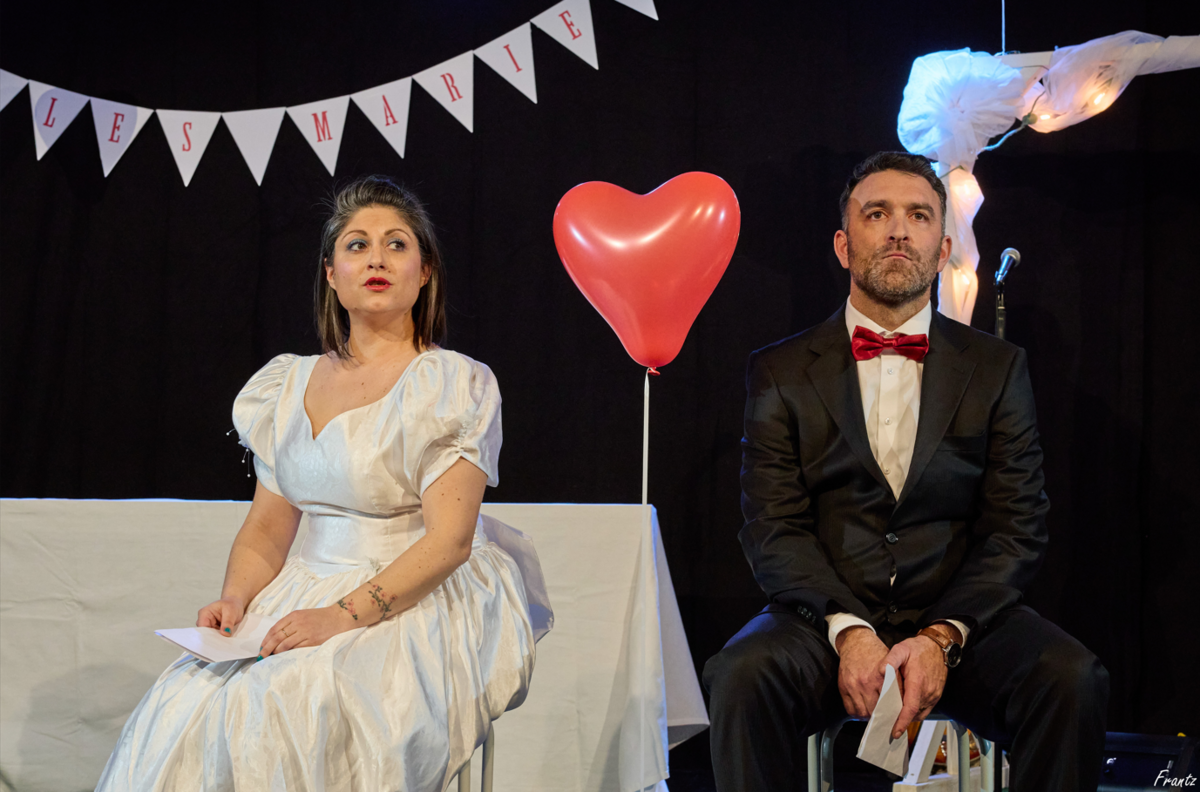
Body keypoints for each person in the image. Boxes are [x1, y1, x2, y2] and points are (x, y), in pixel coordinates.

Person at [96, 175, 549, 792]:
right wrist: (235, 598)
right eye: (357, 245)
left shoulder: (451, 383)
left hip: (410, 590)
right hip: (307, 584)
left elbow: (449, 542)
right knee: (186, 701)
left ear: (424, 272)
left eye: (396, 244)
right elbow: (267, 524)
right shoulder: (285, 384)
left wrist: (339, 617)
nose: (377, 258)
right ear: (332, 274)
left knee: (285, 705)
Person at [703, 152, 1108, 791]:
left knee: (1071, 678)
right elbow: (772, 526)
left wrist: (942, 635)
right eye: (877, 214)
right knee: (740, 676)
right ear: (843, 245)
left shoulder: (998, 367)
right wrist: (849, 631)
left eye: (918, 216)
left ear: (943, 249)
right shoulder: (779, 370)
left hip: (962, 627)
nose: (898, 231)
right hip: (823, 625)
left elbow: (1017, 525)